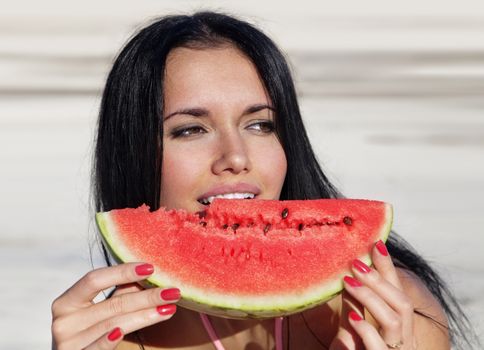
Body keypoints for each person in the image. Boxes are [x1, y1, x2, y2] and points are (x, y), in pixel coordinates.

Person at [51, 11, 478, 350]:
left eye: (260, 125)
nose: (236, 158)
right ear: (132, 151)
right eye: (189, 130)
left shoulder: (388, 312)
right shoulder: (112, 341)